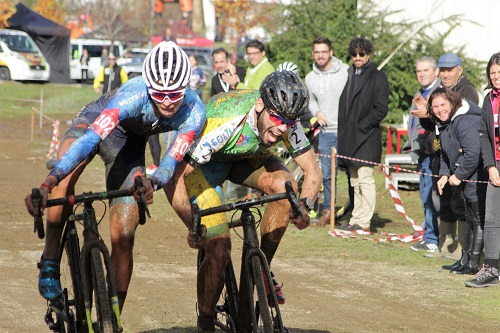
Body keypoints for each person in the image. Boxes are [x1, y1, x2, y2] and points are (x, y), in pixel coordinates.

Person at [24, 41, 206, 313]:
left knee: (124, 235)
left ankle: (112, 318)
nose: (167, 102)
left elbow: (169, 163)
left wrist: (152, 182)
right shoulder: (132, 97)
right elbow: (90, 140)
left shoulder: (194, 111)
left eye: (175, 94)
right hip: (94, 123)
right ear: (148, 88)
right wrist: (51, 180)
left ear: (186, 88)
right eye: (159, 94)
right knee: (63, 182)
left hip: (129, 145)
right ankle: (50, 259)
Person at [164, 71, 322, 333]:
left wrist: (305, 206)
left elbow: (312, 171)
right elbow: (174, 177)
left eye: (289, 121)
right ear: (260, 106)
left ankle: (260, 267)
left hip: (244, 158)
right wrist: (191, 225)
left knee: (287, 188)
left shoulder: (285, 120)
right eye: (278, 119)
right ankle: (205, 321)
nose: (283, 127)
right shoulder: (226, 122)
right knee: (219, 250)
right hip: (205, 167)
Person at [420, 52, 479, 269]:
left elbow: (468, 136)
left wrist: (458, 172)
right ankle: (449, 248)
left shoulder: (467, 91)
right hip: (446, 159)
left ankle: (467, 255)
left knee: (469, 210)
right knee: (446, 202)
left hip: (466, 165)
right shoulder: (443, 93)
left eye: (449, 69)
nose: (445, 74)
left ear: (459, 70)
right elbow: (441, 133)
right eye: (442, 70)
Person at [428, 88, 487, 276]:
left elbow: (473, 153)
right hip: (464, 179)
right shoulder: (445, 124)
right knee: (469, 218)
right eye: (435, 106)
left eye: (443, 105)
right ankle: (465, 259)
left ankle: (473, 263)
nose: (439, 110)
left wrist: (459, 175)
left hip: (478, 177)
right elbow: (445, 153)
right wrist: (444, 174)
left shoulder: (465, 120)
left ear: (452, 103)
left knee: (477, 220)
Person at [337, 37, 389, 232]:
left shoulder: (377, 77)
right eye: (354, 54)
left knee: (365, 179)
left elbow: (381, 108)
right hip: (349, 138)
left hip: (366, 137)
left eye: (362, 54)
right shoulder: (350, 74)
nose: (357, 57)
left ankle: (364, 222)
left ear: (368, 54)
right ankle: (355, 219)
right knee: (354, 180)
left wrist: (363, 125)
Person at [304, 36, 349, 227]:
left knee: (353, 174)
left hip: (347, 132)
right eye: (317, 52)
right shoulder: (310, 78)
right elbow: (311, 100)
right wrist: (316, 112)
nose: (320, 55)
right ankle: (328, 211)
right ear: (313, 54)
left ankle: (356, 211)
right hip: (326, 133)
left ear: (331, 52)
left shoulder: (346, 71)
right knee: (328, 175)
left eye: (324, 51)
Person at [465, 52, 500, 287]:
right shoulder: (488, 100)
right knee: (492, 218)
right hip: (495, 166)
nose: (496, 77)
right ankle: (492, 269)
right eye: (493, 73)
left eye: (499, 72)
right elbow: (484, 135)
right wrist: (490, 166)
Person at [404, 56, 441, 254]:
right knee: (425, 196)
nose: (421, 74)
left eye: (425, 70)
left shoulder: (438, 93)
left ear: (435, 72)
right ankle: (429, 235)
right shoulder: (420, 93)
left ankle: (432, 238)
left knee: (431, 197)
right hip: (421, 153)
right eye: (418, 71)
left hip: (433, 154)